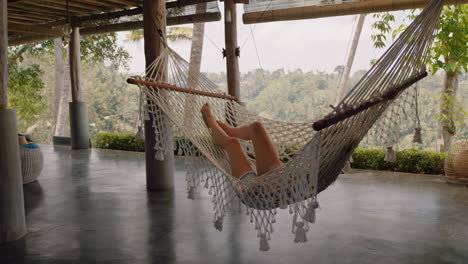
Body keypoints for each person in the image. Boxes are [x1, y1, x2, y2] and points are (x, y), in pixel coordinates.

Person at [201, 103, 282, 182]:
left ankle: (210, 120)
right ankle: (230, 131)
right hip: (280, 175)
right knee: (256, 127)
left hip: (260, 191)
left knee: (233, 143)